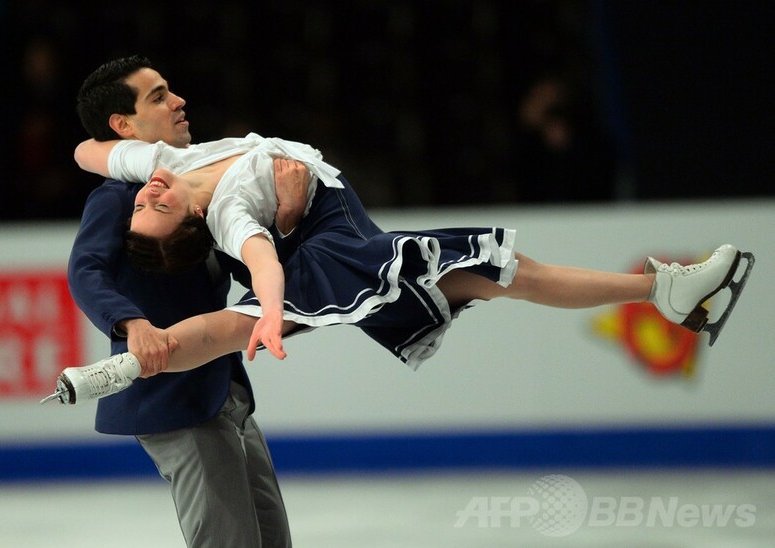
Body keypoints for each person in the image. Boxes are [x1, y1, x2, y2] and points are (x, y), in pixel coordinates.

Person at [51, 123, 754, 404]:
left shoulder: (164, 162)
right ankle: (119, 367)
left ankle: (662, 289)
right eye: (152, 208)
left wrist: (111, 148)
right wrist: (270, 314)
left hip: (338, 236)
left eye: (142, 197)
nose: (145, 194)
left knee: (505, 272)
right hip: (337, 245)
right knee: (226, 330)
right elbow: (264, 267)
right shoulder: (230, 212)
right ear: (190, 224)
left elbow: (88, 151)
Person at [65, 55, 300, 548]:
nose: (178, 102)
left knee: (271, 540)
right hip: (174, 402)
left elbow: (247, 264)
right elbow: (85, 271)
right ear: (123, 125)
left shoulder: (194, 186)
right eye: (159, 96)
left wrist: (287, 217)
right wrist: (133, 324)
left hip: (224, 391)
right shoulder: (122, 196)